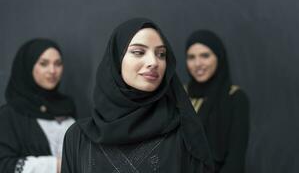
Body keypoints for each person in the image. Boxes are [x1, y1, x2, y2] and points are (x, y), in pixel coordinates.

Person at [61, 18, 213, 173]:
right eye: (138, 52)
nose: (153, 62)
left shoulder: (184, 133)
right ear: (116, 59)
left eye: (161, 54)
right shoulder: (78, 137)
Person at [0, 38, 76, 173]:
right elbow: (4, 165)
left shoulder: (66, 107)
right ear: (28, 66)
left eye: (58, 64)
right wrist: (55, 165)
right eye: (44, 64)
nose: (52, 70)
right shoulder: (9, 115)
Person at [184, 30, 249, 173]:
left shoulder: (235, 97)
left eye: (205, 56)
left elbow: (235, 161)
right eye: (191, 57)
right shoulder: (181, 94)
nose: (198, 63)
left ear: (218, 57)